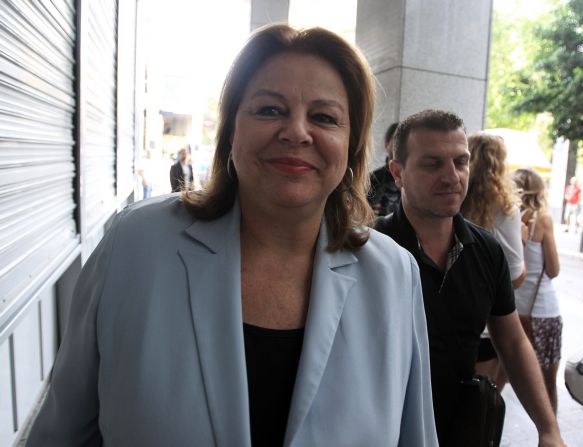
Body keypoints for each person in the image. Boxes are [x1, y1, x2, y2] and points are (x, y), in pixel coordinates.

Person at [26, 25, 438, 446]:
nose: (296, 132)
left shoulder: (394, 275)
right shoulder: (135, 246)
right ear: (230, 132)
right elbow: (60, 435)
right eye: (269, 109)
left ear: (352, 146)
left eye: (324, 117)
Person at [374, 109, 565, 446]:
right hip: (384, 431)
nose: (452, 177)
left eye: (460, 162)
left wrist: (548, 429)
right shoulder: (368, 251)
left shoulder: (487, 251)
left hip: (463, 428)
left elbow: (513, 342)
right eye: (433, 164)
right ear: (398, 173)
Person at [461, 132, 526, 390]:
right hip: (488, 326)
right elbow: (515, 278)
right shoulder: (506, 209)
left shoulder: (449, 200)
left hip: (446, 320)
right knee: (479, 404)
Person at [511, 168, 562, 414]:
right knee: (547, 383)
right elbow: (553, 270)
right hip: (542, 311)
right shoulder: (542, 219)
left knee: (505, 374)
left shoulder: (506, 216)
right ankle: (550, 431)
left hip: (513, 310)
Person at [368, 122, 400, 216]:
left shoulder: (416, 180)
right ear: (387, 144)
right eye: (396, 139)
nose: (401, 144)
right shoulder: (372, 179)